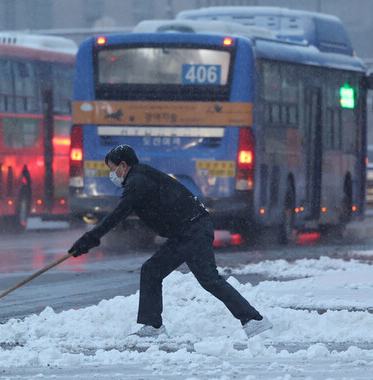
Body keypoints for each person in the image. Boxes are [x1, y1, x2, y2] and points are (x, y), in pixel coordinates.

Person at [68, 144, 272, 339]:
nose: (111, 174)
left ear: (123, 165)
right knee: (152, 270)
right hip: (186, 231)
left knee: (209, 279)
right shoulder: (140, 176)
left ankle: (254, 320)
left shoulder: (138, 182)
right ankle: (153, 325)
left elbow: (117, 215)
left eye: (112, 169)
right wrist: (90, 239)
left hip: (193, 230)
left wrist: (89, 239)